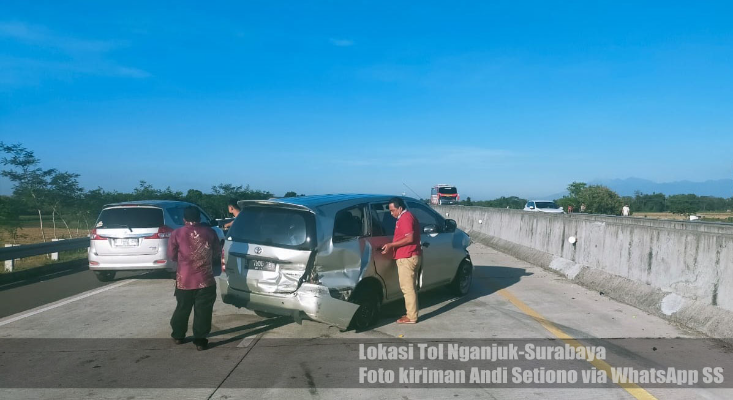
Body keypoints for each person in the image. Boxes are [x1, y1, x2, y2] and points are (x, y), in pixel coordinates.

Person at [168, 206, 221, 350]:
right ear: (199, 218)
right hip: (206, 280)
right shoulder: (210, 232)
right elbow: (217, 252)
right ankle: (200, 341)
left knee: (182, 308)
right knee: (203, 311)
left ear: (184, 219)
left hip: (184, 280)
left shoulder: (177, 233)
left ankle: (178, 335)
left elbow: (172, 255)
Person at [380, 197, 422, 324]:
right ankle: (411, 313)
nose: (391, 213)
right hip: (410, 255)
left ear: (400, 208)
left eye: (393, 210)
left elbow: (409, 238)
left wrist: (391, 245)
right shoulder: (405, 217)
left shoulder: (405, 218)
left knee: (407, 288)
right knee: (410, 287)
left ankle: (411, 316)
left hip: (407, 257)